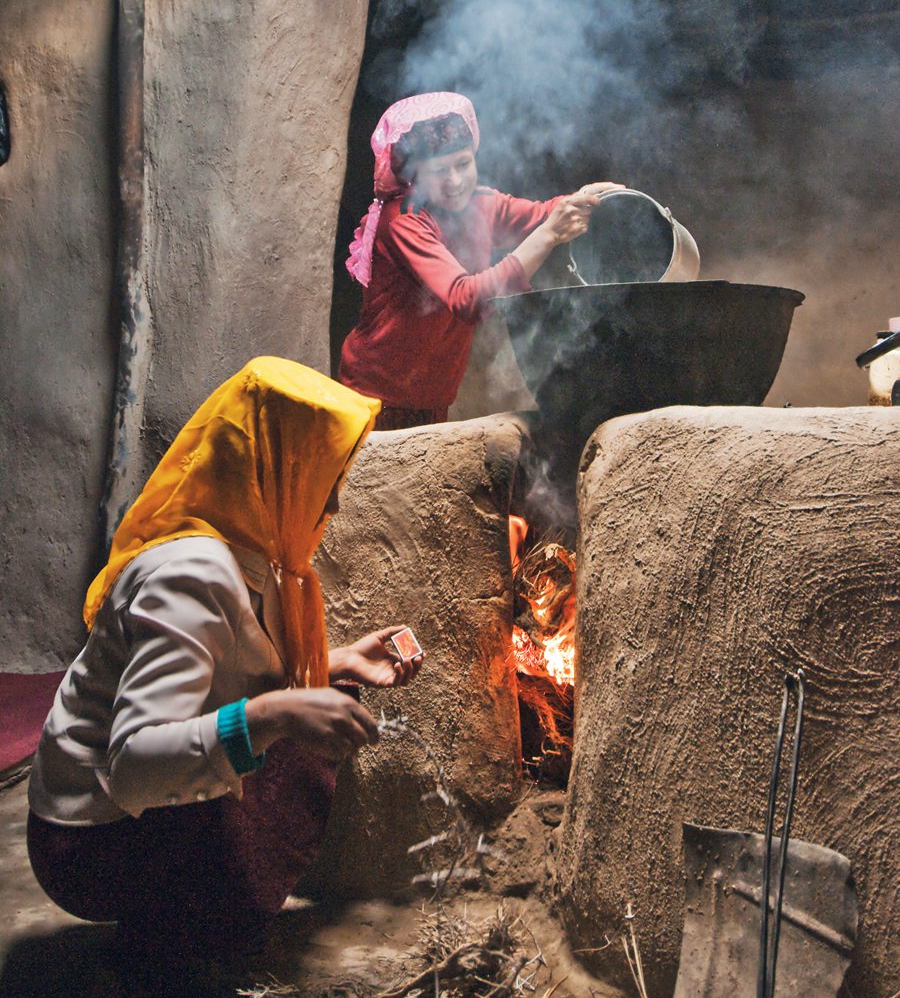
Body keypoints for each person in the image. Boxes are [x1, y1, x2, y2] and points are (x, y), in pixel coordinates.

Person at [26, 357, 422, 993]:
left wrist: (339, 662)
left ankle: (192, 915)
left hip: (108, 820)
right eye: (324, 474)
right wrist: (279, 714)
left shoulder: (252, 556)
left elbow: (234, 672)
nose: (335, 500)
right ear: (276, 466)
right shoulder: (193, 572)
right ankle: (172, 934)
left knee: (316, 712)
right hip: (84, 843)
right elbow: (132, 764)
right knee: (295, 752)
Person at [340, 91, 623, 428]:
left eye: (463, 164)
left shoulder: (480, 204)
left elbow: (541, 214)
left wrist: (581, 199)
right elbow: (466, 298)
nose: (455, 181)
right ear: (413, 174)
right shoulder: (403, 221)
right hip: (375, 401)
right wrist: (548, 235)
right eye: (439, 170)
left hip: (434, 395)